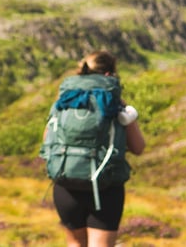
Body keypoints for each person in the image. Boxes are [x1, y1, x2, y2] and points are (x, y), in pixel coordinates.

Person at [50, 51, 146, 247]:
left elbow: (48, 141)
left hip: (65, 185)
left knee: (75, 244)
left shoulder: (65, 100)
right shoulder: (115, 103)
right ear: (109, 75)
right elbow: (138, 147)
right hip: (105, 187)